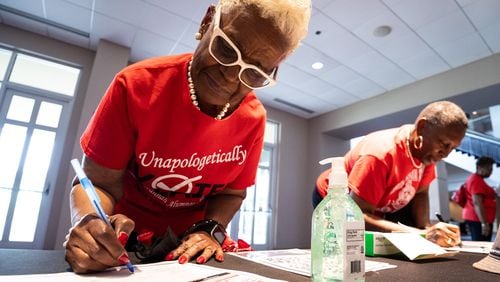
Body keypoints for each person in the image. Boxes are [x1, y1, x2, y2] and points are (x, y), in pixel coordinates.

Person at [64, 0, 311, 273]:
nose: (230, 76)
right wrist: (89, 223)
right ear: (207, 23)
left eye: (253, 72)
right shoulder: (136, 86)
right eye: (226, 48)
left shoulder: (254, 119)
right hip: (121, 245)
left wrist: (209, 229)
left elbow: (231, 193)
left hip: (189, 253)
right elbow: (99, 184)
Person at [312, 101, 468, 247]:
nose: (446, 154)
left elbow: (421, 192)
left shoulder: (426, 156)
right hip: (335, 197)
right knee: (345, 247)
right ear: (422, 128)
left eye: (452, 148)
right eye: (444, 144)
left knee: (407, 242)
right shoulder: (380, 155)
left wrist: (427, 229)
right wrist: (423, 234)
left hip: (376, 204)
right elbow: (357, 217)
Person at [462, 156, 497, 241]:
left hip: (478, 219)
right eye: (488, 169)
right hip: (477, 219)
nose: (490, 172)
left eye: (491, 169)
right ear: (479, 167)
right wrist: (484, 223)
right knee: (482, 245)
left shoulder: (478, 180)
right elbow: (477, 203)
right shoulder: (476, 180)